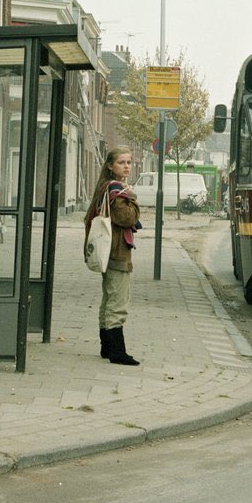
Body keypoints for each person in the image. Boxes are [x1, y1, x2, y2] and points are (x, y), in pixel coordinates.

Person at [84, 146, 142, 367]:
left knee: (108, 300)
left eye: (128, 162)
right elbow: (126, 218)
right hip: (117, 251)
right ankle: (117, 351)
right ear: (110, 166)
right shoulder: (117, 190)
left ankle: (106, 347)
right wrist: (133, 198)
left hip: (108, 251)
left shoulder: (104, 187)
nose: (126, 166)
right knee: (118, 302)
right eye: (121, 163)